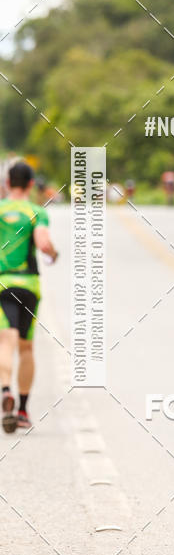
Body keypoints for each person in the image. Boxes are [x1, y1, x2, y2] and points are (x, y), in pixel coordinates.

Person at [0, 161, 58, 432]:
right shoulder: (36, 212)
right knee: (25, 347)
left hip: (2, 284)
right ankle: (22, 409)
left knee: (5, 341)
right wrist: (53, 255)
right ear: (31, 184)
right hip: (30, 286)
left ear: (7, 184)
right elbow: (44, 244)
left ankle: (4, 392)